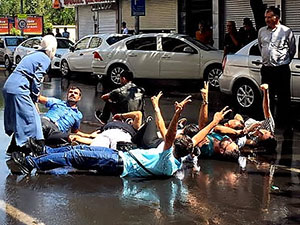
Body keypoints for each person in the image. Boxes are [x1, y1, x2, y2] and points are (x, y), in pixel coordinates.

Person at [12, 98, 230, 177]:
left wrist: (177, 114)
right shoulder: (180, 156)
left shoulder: (169, 162)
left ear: (175, 148)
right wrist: (214, 121)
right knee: (76, 151)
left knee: (77, 154)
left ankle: (31, 163)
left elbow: (171, 134)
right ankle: (43, 152)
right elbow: (198, 137)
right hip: (118, 155)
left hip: (118, 164)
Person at [3, 35, 57, 155]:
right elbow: (37, 79)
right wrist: (35, 96)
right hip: (19, 88)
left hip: (10, 85)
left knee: (20, 118)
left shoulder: (32, 54)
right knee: (32, 119)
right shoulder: (45, 58)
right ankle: (37, 150)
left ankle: (14, 149)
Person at [258, 6, 296, 130]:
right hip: (267, 69)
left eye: (269, 17)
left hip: (281, 70)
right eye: (265, 17)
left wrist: (284, 62)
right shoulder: (261, 31)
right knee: (267, 96)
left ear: (277, 17)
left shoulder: (286, 31)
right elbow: (260, 47)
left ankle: (283, 123)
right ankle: (268, 122)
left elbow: (292, 50)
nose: (267, 20)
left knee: (283, 98)